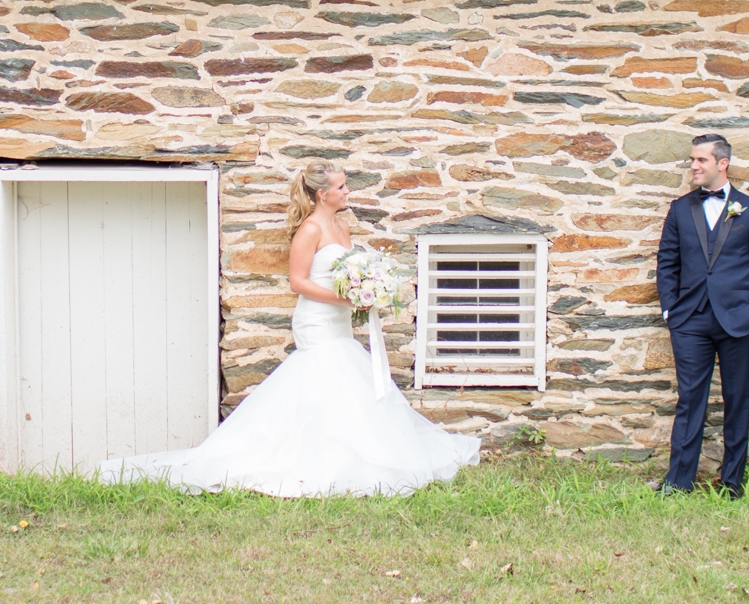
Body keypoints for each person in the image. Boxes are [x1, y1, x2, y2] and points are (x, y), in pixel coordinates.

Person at [98, 160, 480, 496]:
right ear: (321, 194)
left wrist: (364, 289)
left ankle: (343, 458)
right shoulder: (310, 230)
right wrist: (348, 299)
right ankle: (310, 462)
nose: (348, 191)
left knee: (345, 381)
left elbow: (346, 272)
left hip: (340, 319)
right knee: (327, 376)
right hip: (317, 319)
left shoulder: (340, 225)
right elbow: (298, 282)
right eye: (342, 186)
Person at [655, 133, 749, 498]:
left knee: (737, 399)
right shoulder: (680, 209)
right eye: (692, 160)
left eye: (701, 160)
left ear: (722, 164)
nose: (693, 166)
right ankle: (678, 484)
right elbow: (667, 262)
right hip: (689, 320)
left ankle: (732, 483)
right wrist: (669, 309)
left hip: (737, 320)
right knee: (690, 401)